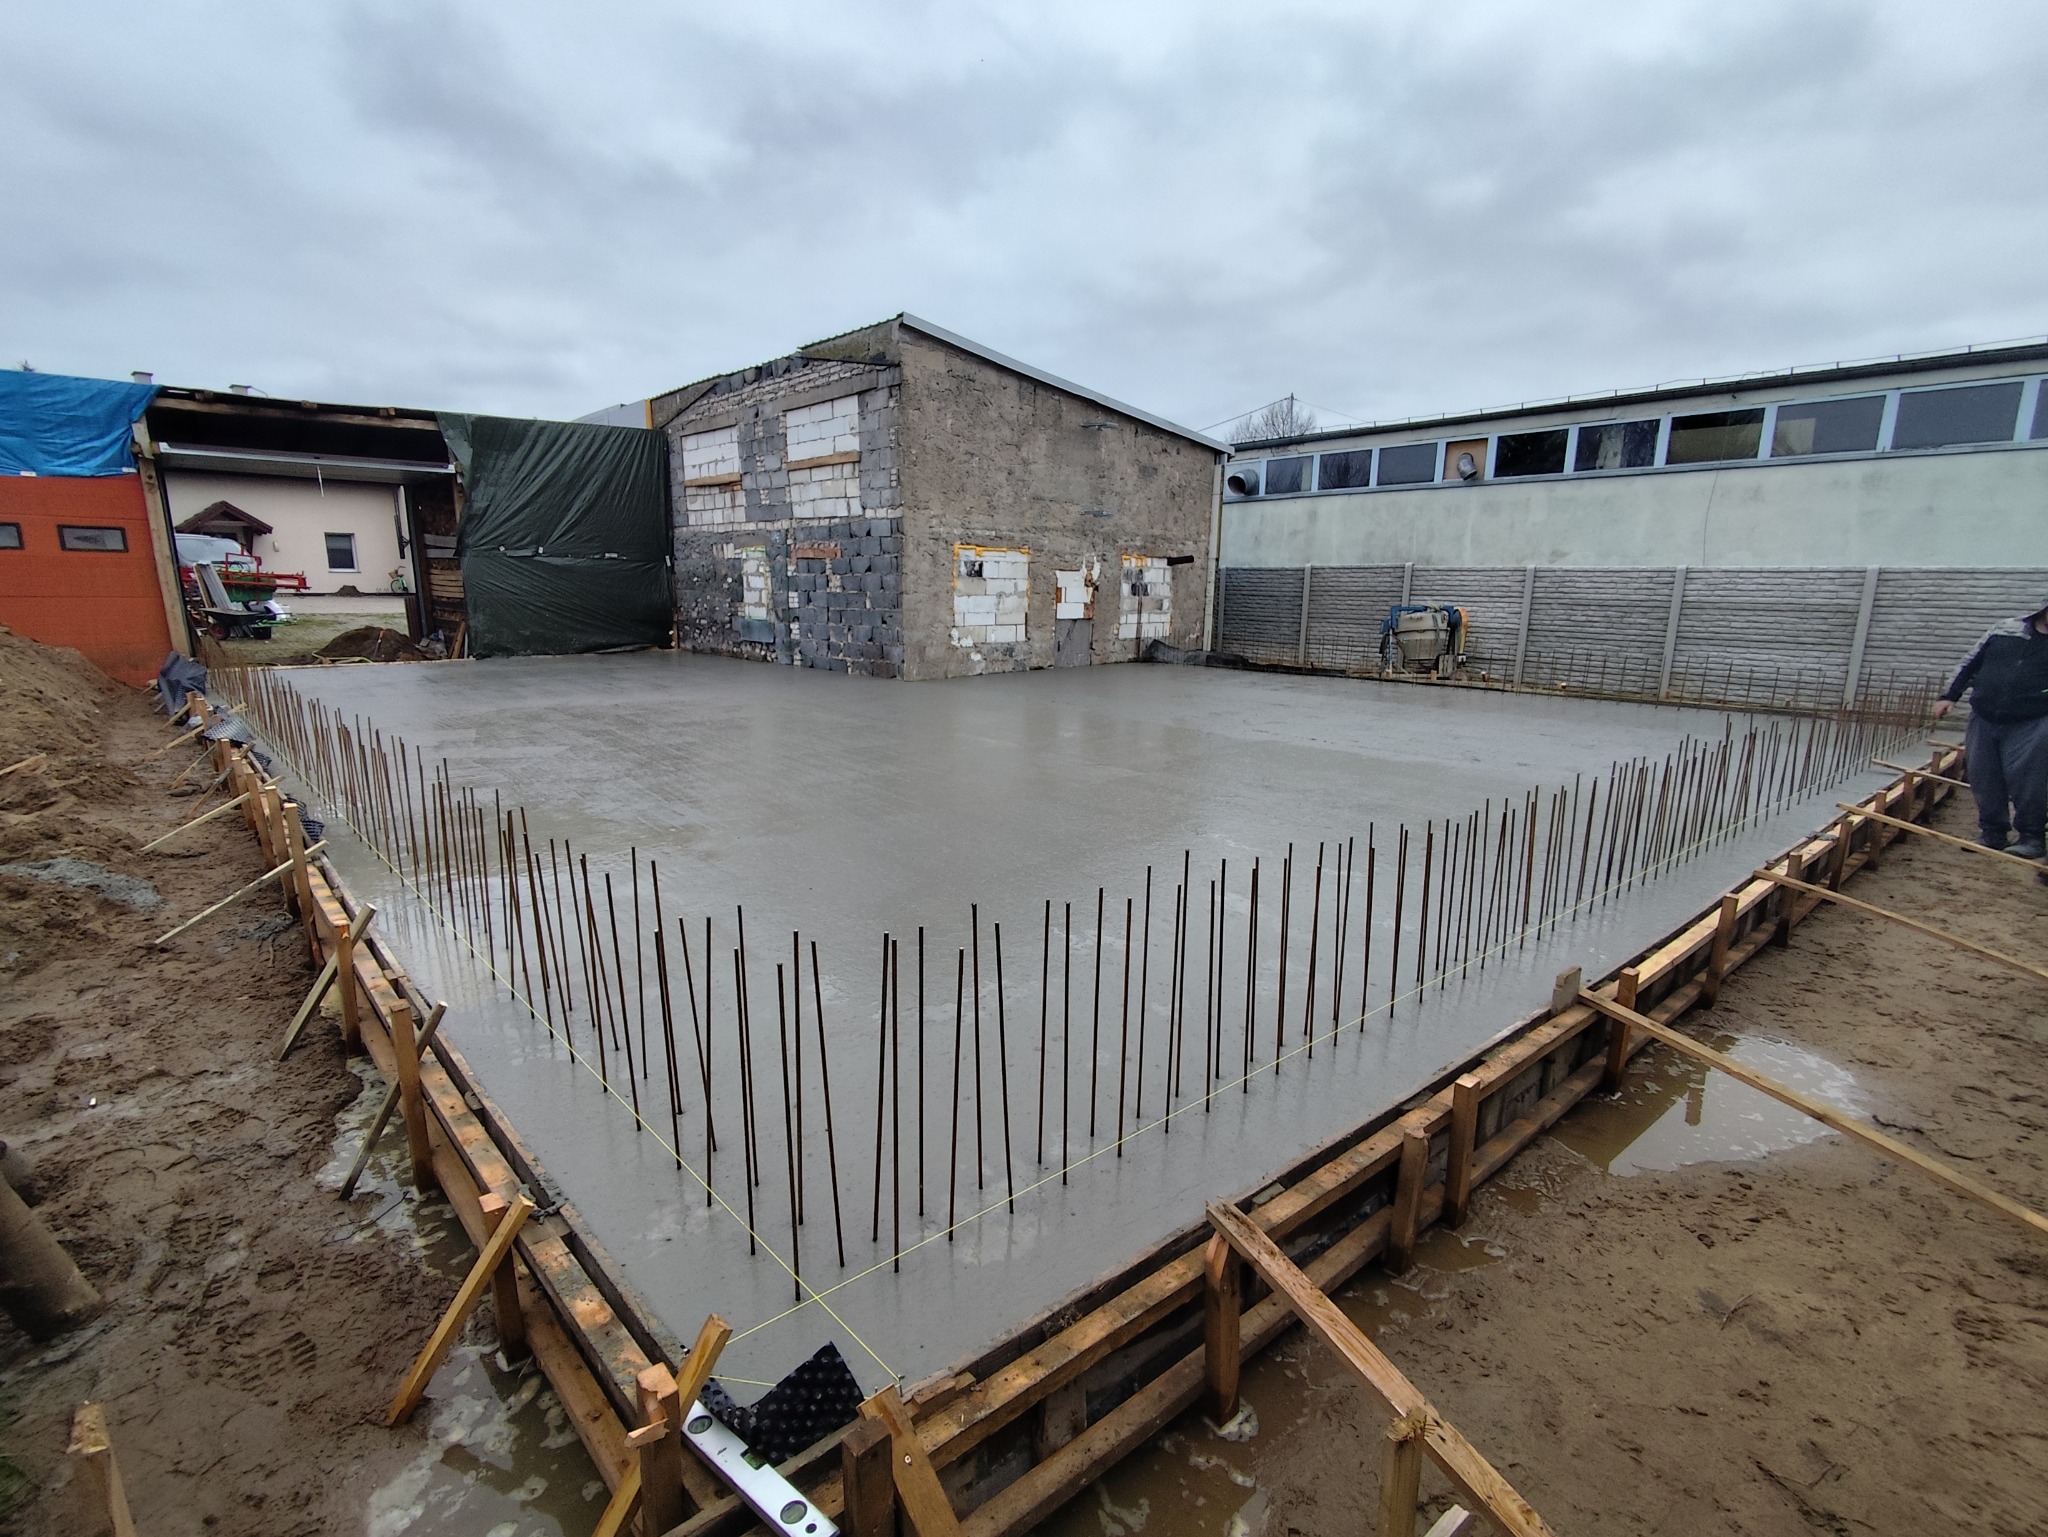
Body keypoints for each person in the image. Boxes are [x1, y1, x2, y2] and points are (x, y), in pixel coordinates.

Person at [1934, 602, 2048, 858]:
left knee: (2028, 780)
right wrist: (1949, 696)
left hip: (2033, 720)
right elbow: (1970, 662)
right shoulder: (2006, 629)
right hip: (1984, 716)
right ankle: (1992, 833)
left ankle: (2031, 838)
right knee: (1983, 776)